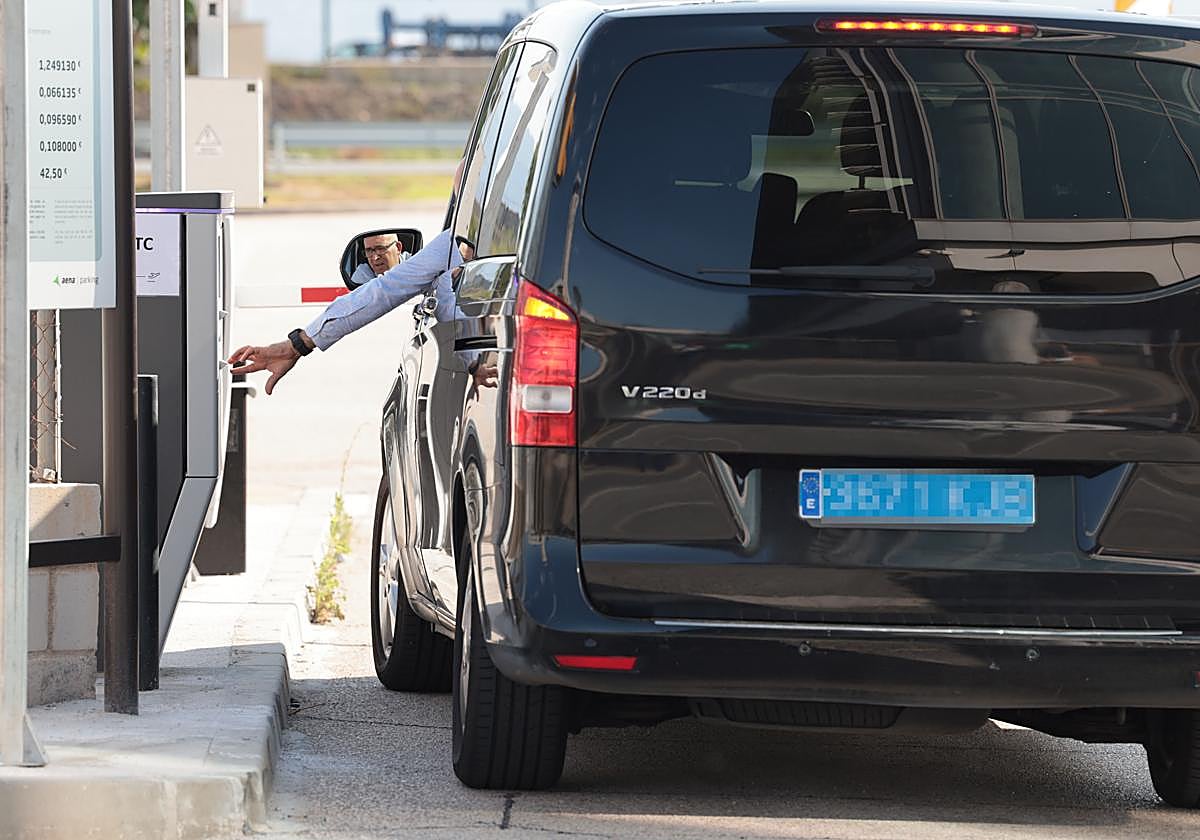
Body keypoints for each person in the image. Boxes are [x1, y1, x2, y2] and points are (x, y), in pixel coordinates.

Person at [230, 161, 467, 395]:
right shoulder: (461, 244)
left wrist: (297, 345)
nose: (375, 258)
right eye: (369, 252)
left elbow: (383, 292)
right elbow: (381, 290)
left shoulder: (456, 244)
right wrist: (297, 345)